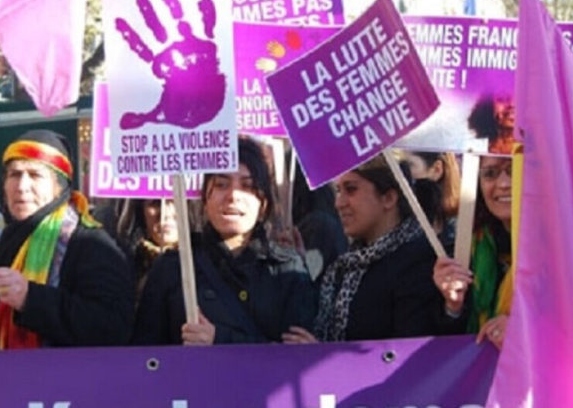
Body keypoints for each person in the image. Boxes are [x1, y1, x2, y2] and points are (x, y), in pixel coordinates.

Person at [0, 130, 133, 349]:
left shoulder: (90, 244)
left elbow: (111, 326)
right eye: (14, 174)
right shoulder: (0, 247)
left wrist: (31, 299)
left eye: (35, 175)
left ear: (60, 187)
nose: (21, 186)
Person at [133, 137, 316, 345]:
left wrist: (220, 339)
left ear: (263, 204)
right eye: (221, 184)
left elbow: (294, 359)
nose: (233, 196)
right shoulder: (174, 266)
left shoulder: (288, 269)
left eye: (247, 186)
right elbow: (146, 356)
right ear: (205, 199)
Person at [283, 156, 442, 343]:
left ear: (389, 198)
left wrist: (323, 358)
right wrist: (298, 264)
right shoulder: (349, 263)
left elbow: (404, 354)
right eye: (338, 191)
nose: (339, 203)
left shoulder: (420, 262)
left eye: (351, 189)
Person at [432, 156, 513, 349]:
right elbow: (450, 351)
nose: (503, 184)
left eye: (514, 171)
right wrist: (453, 307)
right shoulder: (468, 247)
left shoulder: (564, 249)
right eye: (490, 174)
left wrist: (526, 330)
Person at [114, 198, 179, 307]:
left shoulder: (202, 263)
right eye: (155, 203)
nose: (166, 213)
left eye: (175, 202)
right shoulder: (125, 266)